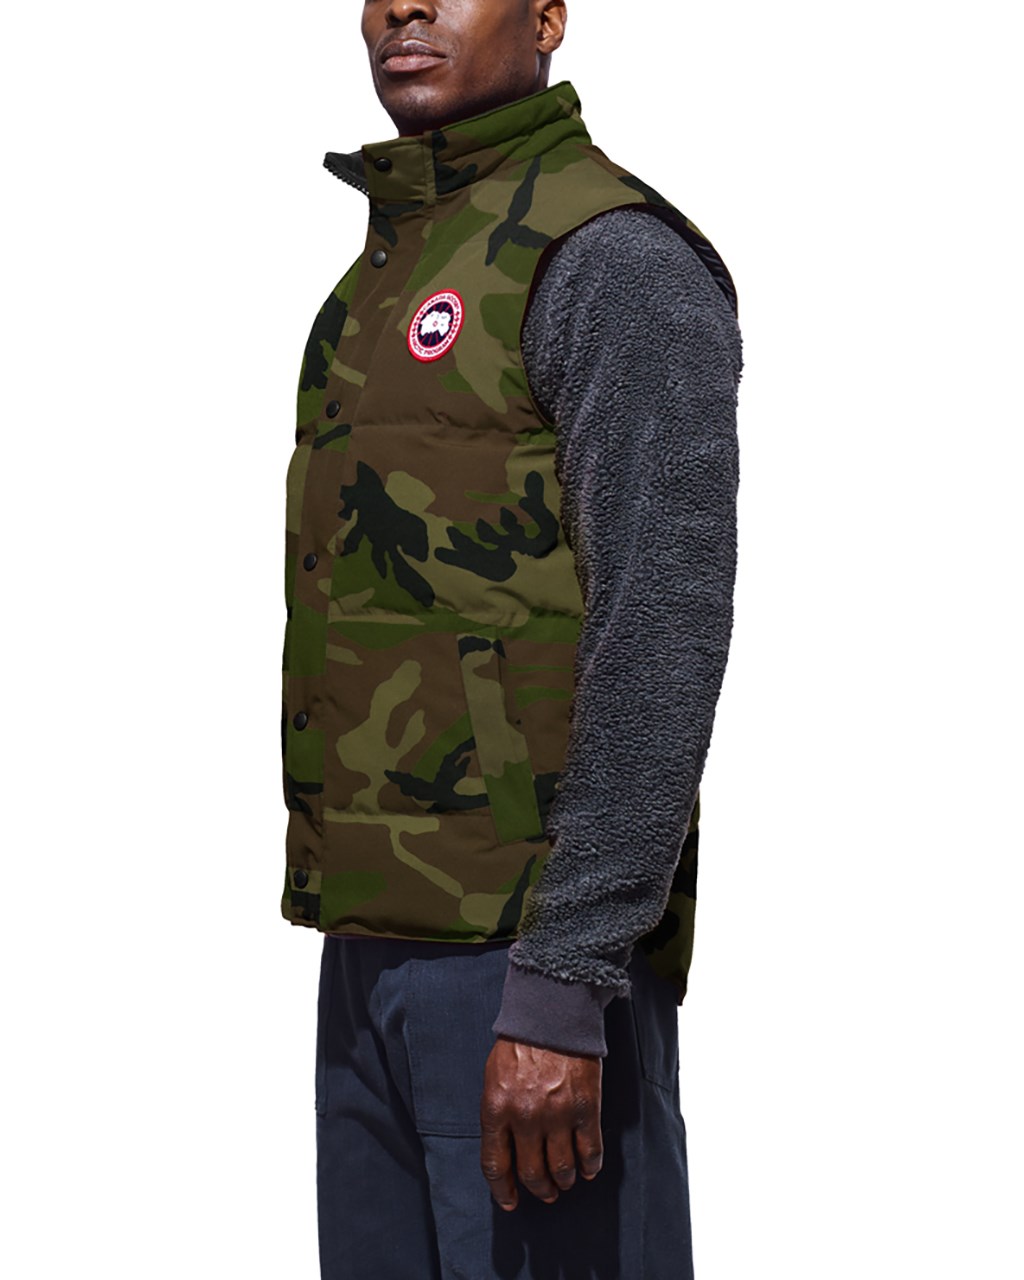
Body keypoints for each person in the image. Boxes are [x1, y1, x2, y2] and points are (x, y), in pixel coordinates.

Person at [279, 1, 743, 1275]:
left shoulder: (606, 257)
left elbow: (663, 626)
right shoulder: (386, 274)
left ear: (547, 17)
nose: (403, 9)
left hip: (529, 965)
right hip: (372, 950)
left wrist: (567, 976)